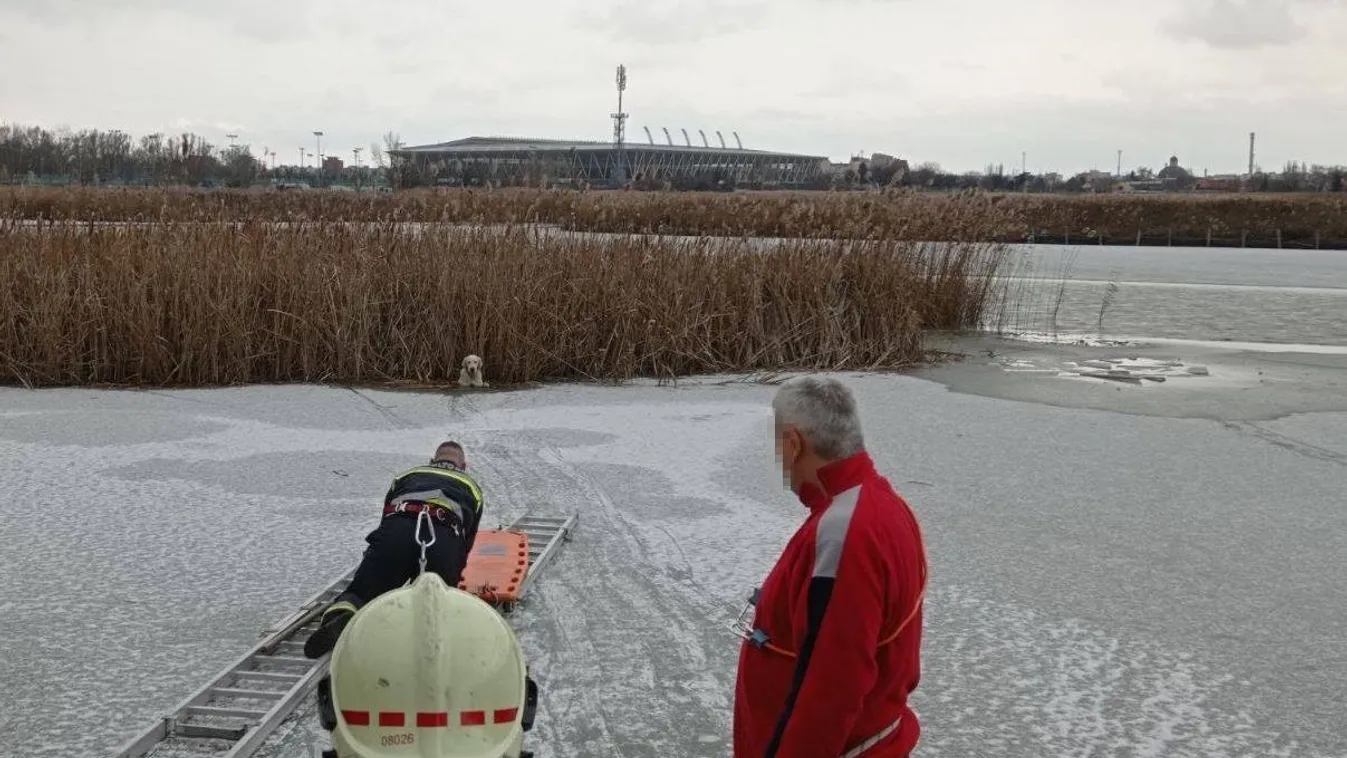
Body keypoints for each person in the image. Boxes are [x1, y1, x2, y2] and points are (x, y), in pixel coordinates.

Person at [733, 377, 927, 758]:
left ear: (794, 443)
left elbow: (832, 685)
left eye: (778, 444)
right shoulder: (884, 505)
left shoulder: (845, 530)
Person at [304, 440, 485, 659]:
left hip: (398, 528)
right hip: (444, 536)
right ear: (463, 466)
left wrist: (376, 559)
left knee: (360, 593)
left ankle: (344, 613)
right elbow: (467, 542)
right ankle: (426, 634)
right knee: (438, 601)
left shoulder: (406, 476)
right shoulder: (472, 487)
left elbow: (385, 520)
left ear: (432, 461)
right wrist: (452, 572)